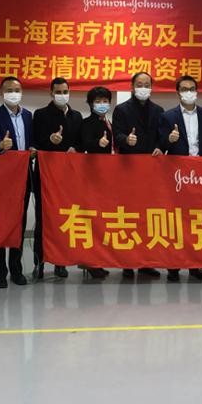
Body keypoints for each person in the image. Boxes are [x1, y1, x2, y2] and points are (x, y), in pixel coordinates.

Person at [159, 75, 202, 283]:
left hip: (200, 176)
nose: (188, 92)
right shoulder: (167, 116)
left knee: (197, 221)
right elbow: (161, 145)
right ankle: (173, 266)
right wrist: (169, 139)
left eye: (192, 88)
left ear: (197, 91)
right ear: (178, 93)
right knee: (175, 220)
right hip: (177, 176)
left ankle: (195, 265)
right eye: (184, 89)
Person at [111, 72, 164, 279]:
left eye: (147, 84)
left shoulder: (158, 110)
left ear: (151, 87)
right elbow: (116, 135)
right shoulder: (121, 109)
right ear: (132, 87)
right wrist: (126, 139)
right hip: (128, 170)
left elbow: (162, 138)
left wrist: (161, 146)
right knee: (128, 217)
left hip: (151, 172)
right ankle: (127, 262)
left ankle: (145, 262)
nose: (143, 88)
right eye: (139, 84)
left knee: (147, 217)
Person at [0, 76, 33, 289]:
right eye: (9, 90)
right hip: (3, 178)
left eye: (17, 89)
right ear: (1, 93)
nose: (14, 93)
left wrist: (33, 149)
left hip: (24, 175)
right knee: (0, 224)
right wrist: (0, 144)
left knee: (19, 223)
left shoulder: (28, 115)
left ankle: (16, 269)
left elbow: (32, 141)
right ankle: (0, 273)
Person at [31, 78, 82, 280]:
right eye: (58, 92)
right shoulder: (40, 114)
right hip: (45, 176)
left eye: (65, 91)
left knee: (65, 218)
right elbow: (34, 143)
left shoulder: (77, 116)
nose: (62, 95)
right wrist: (49, 140)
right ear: (51, 94)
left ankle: (61, 262)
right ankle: (39, 262)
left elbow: (81, 142)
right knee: (43, 220)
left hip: (67, 177)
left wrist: (75, 148)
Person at [75, 86, 115, 279]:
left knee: (101, 221)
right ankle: (89, 262)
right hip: (92, 177)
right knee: (91, 220)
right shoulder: (87, 123)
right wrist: (97, 144)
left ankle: (97, 261)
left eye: (105, 101)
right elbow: (84, 145)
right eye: (98, 101)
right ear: (91, 104)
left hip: (106, 177)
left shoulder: (108, 122)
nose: (102, 104)